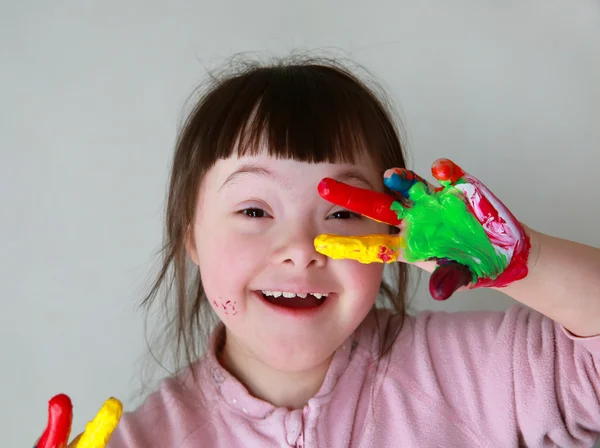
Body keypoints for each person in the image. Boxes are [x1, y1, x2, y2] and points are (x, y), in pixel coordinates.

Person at [67, 57, 600, 447]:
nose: (300, 251)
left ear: (392, 234)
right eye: (254, 212)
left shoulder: (472, 375)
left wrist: (523, 261)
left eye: (342, 213)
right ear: (191, 236)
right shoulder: (140, 439)